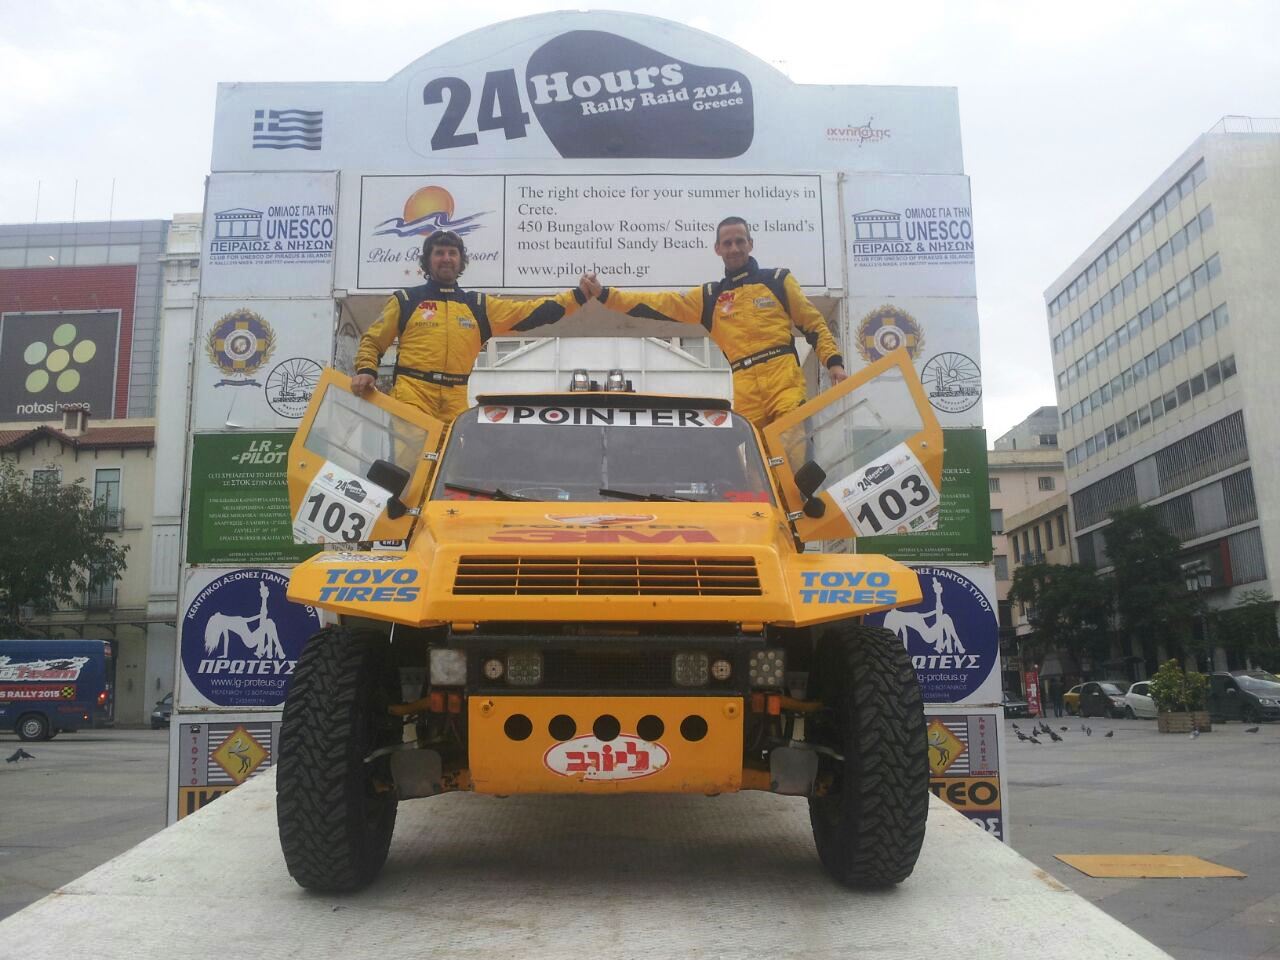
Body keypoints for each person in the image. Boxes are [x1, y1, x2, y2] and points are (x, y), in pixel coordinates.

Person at [581, 217, 847, 428]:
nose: (734, 248)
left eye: (740, 241)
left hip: (784, 379)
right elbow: (658, 303)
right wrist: (605, 295)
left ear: (750, 244)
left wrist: (834, 363)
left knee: (795, 454)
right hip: (744, 387)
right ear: (717, 249)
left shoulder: (778, 280)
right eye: (727, 243)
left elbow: (814, 324)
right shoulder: (709, 297)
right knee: (758, 466)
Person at [353, 230, 589, 421]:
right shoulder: (405, 300)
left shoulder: (478, 306)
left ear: (461, 260)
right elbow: (373, 341)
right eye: (439, 253)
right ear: (427, 260)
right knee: (411, 463)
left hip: (455, 401)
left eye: (452, 253)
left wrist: (578, 296)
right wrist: (366, 370)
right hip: (412, 395)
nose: (446, 258)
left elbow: (530, 312)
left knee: (449, 465)